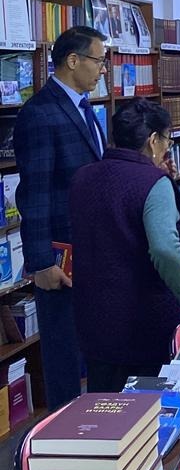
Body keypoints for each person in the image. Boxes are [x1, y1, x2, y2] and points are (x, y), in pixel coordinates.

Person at [69, 98, 180, 392]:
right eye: (167, 141)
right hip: (143, 323)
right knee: (148, 408)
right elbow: (165, 249)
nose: (167, 148)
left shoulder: (82, 177)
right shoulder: (153, 182)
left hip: (93, 320)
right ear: (152, 141)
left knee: (104, 406)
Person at [13, 26, 108, 410]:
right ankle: (66, 430)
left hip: (92, 249)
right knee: (63, 352)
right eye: (98, 60)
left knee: (94, 344)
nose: (103, 69)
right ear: (73, 60)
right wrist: (41, 263)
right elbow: (33, 194)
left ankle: (98, 420)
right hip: (60, 257)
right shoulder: (40, 113)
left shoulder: (85, 108)